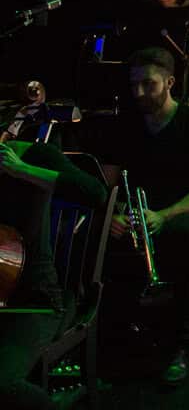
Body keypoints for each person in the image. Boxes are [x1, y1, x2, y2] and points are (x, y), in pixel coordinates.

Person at [98, 47, 189, 386]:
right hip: (133, 213)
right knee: (95, 235)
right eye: (134, 85)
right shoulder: (123, 127)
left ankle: (183, 347)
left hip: (177, 212)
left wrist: (163, 215)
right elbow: (106, 184)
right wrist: (112, 215)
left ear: (169, 82)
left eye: (148, 85)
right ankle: (106, 342)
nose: (139, 93)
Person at [0, 136, 108, 410]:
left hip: (35, 300)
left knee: (3, 384)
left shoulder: (34, 155)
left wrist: (20, 169)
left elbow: (95, 193)